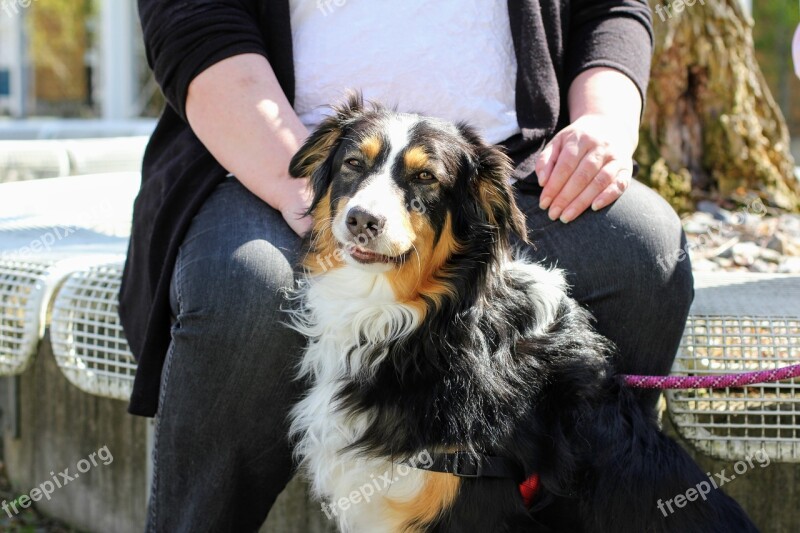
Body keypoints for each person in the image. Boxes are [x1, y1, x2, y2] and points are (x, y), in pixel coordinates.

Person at [122, 1, 693, 530]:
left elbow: (611, 7)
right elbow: (194, 18)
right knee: (247, 290)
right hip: (281, 158)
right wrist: (309, 187)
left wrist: (604, 123)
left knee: (644, 247)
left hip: (508, 164)